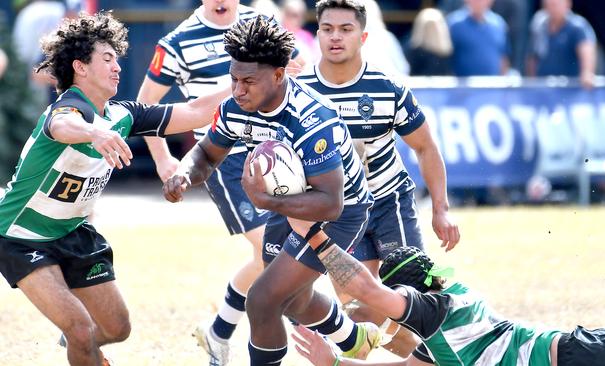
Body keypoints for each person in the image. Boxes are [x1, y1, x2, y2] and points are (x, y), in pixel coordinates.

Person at [0, 12, 227, 366]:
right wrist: (95, 133)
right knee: (80, 329)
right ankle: (79, 339)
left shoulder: (123, 116)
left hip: (73, 233)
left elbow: (196, 110)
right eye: (107, 59)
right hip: (21, 235)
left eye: (117, 59)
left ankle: (81, 344)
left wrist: (245, 79)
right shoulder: (68, 108)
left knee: (117, 328)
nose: (118, 67)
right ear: (80, 67)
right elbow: (62, 125)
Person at [162, 15, 381, 366]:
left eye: (248, 81)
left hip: (342, 210)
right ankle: (355, 339)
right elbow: (206, 152)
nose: (237, 90)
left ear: (279, 75)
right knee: (292, 300)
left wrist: (264, 199)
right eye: (233, 79)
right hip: (288, 203)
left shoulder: (311, 119)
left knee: (262, 300)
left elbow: (331, 204)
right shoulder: (236, 107)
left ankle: (349, 339)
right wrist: (185, 174)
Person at [137, 2, 304, 364]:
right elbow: (146, 102)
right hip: (222, 158)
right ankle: (327, 331)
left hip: (275, 150)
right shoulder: (177, 42)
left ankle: (218, 332)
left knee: (274, 252)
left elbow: (296, 66)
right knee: (273, 249)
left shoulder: (262, 21)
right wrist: (163, 158)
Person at [297, 0, 460, 357]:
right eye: (327, 29)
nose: (335, 37)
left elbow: (426, 147)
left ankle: (443, 355)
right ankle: (412, 357)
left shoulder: (387, 88)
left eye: (345, 29)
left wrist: (441, 210)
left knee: (414, 296)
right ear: (318, 33)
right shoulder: (299, 92)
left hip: (389, 203)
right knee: (362, 311)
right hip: (338, 212)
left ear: (363, 36)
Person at [286, 224, 605, 366]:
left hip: (583, 360)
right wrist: (334, 363)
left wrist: (314, 236)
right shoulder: (446, 309)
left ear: (406, 294)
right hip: (581, 351)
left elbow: (363, 287)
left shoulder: (434, 313)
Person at [526, 0, 597, 88]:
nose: (553, 8)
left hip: (570, 90)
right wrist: (532, 82)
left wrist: (587, 73)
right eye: (549, 4)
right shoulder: (539, 25)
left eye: (556, 4)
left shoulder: (578, 27)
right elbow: (533, 57)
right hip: (543, 89)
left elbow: (587, 51)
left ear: (568, 4)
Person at [447, 0, 509, 76]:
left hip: (493, 85)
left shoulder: (499, 24)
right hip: (462, 86)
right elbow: (446, 61)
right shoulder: (454, 24)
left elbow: (503, 58)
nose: (479, 2)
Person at [404, 7, 453, 76]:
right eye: (428, 26)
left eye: (434, 26)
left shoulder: (447, 53)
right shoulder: (413, 52)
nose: (431, 30)